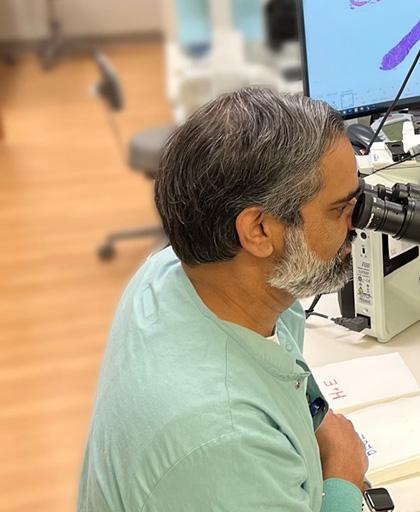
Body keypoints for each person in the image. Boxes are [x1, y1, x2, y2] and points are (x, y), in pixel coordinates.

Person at [78, 89, 369, 511]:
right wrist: (344, 477)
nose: (357, 224)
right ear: (259, 231)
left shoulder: (168, 276)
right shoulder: (224, 438)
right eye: (340, 209)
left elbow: (281, 355)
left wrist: (318, 419)